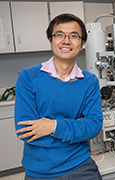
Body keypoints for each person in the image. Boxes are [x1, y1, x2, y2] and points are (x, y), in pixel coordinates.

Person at [14, 13, 103, 180]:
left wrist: (53, 126)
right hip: (40, 171)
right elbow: (24, 131)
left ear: (82, 43)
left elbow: (93, 125)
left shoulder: (89, 81)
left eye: (74, 36)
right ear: (51, 39)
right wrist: (75, 129)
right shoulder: (28, 77)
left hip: (81, 165)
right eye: (59, 34)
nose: (66, 41)